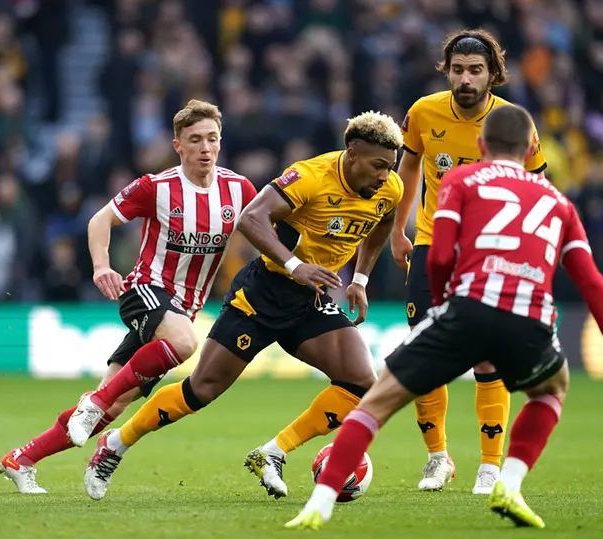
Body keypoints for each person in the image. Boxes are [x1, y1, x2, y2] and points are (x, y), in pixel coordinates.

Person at [286, 105, 603, 531]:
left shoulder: (461, 181)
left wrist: (446, 306)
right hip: (530, 318)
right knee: (550, 391)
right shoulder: (559, 203)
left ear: (482, 145)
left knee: (376, 401)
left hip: (468, 307)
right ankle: (509, 482)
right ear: (530, 152)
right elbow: (592, 281)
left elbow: (441, 256)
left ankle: (319, 504)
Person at [79, 111, 405, 501]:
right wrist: (296, 265)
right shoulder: (310, 176)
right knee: (201, 390)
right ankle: (115, 444)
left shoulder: (390, 188)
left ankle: (274, 452)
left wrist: (361, 280)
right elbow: (251, 219)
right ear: (352, 154)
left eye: (391, 166)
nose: (386, 176)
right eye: (379, 165)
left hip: (310, 298)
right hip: (263, 293)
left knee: (361, 382)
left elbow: (382, 222)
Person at [0, 100, 257, 493]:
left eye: (212, 139)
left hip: (181, 308)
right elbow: (100, 219)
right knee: (186, 342)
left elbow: (268, 230)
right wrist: (102, 266)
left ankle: (22, 458)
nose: (205, 147)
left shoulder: (239, 190)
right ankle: (95, 402)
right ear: (178, 146)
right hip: (144, 291)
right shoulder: (156, 187)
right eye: (195, 140)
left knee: (111, 407)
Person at [391, 28, 548, 493]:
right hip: (431, 245)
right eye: (457, 69)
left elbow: (538, 186)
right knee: (425, 353)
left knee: (486, 356)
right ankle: (438, 458)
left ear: (493, 75)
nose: (464, 79)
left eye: (475, 70)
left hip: (489, 253)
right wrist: (399, 229)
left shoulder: (514, 123)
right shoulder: (423, 112)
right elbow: (410, 166)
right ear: (447, 71)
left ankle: (489, 464)